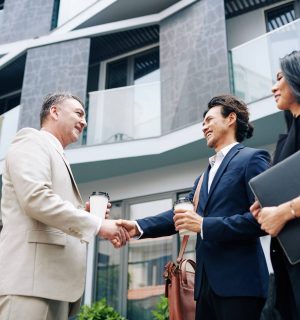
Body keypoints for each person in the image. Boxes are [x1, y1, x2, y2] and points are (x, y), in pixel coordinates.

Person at [117, 94, 270, 320]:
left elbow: (264, 219)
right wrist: (138, 227)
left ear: (231, 119)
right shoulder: (202, 178)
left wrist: (204, 225)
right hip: (204, 289)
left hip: (241, 286)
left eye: (209, 120)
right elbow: (179, 215)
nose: (204, 127)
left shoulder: (252, 159)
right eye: (202, 123)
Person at [0, 93, 129, 320]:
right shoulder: (31, 140)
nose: (84, 121)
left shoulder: (57, 154)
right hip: (29, 286)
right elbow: (36, 198)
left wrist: (82, 214)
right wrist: (97, 224)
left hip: (53, 288)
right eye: (79, 113)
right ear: (54, 112)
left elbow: (48, 209)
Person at [250, 50, 300, 320]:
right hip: (287, 267)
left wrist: (285, 211)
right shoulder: (290, 132)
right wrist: (267, 206)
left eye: (280, 77)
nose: (273, 86)